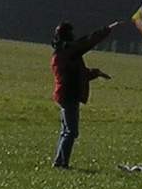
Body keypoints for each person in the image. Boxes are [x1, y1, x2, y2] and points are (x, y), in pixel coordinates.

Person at [50, 19, 121, 169]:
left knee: (66, 131)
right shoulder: (68, 52)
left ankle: (59, 161)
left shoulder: (62, 52)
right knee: (71, 132)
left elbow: (78, 74)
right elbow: (88, 41)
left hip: (65, 94)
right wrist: (108, 29)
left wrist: (96, 73)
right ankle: (62, 164)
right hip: (69, 95)